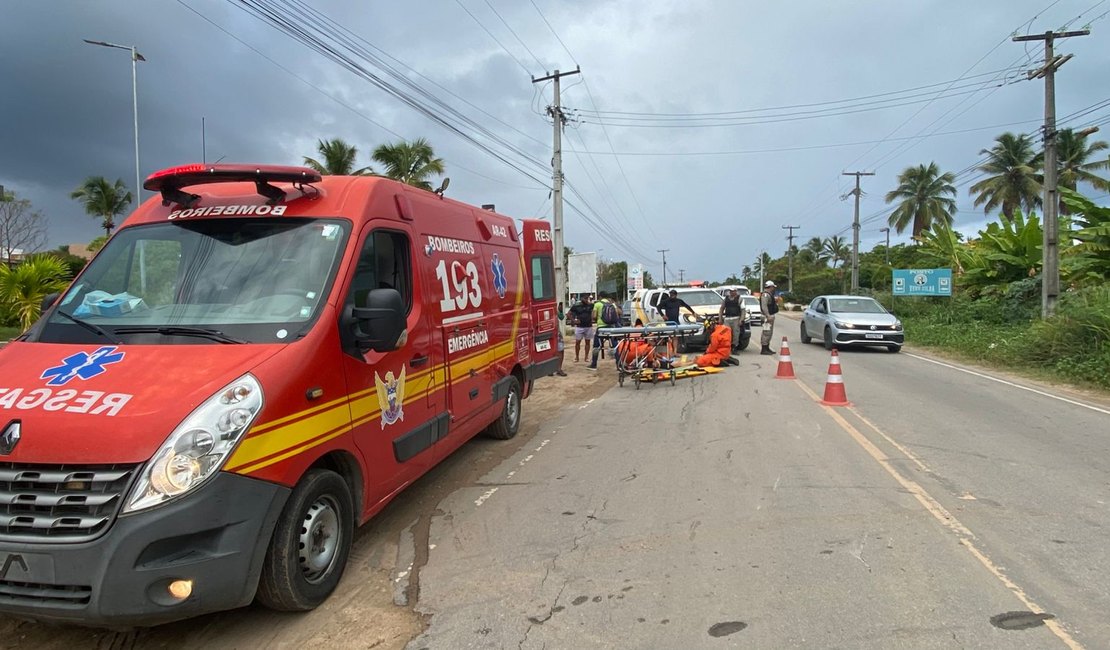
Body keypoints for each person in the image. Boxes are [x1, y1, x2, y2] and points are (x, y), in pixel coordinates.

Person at [587, 293, 622, 370]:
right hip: (612, 328)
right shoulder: (612, 304)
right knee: (615, 346)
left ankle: (594, 364)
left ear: (600, 297)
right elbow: (618, 314)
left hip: (601, 328)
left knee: (596, 346)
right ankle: (619, 365)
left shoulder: (597, 304)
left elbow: (594, 316)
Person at [568, 295, 594, 362]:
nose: (586, 300)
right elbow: (568, 314)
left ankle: (586, 357)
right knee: (577, 342)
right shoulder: (577, 306)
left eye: (587, 298)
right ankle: (577, 357)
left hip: (588, 326)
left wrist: (593, 318)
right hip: (579, 327)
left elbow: (595, 311)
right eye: (585, 298)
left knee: (587, 342)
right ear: (581, 298)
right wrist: (574, 321)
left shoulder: (590, 305)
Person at [759, 280, 779, 355]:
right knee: (766, 332)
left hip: (769, 316)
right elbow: (764, 307)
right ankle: (764, 349)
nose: (774, 288)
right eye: (773, 287)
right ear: (770, 287)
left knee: (769, 333)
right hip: (767, 317)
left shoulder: (769, 295)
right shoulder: (765, 295)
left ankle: (767, 347)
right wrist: (768, 315)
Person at [555, 301, 567, 376]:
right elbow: (562, 317)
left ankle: (555, 369)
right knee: (560, 351)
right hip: (555, 332)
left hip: (553, 332)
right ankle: (558, 369)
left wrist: (560, 311)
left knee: (558, 351)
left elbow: (561, 317)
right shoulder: (553, 309)